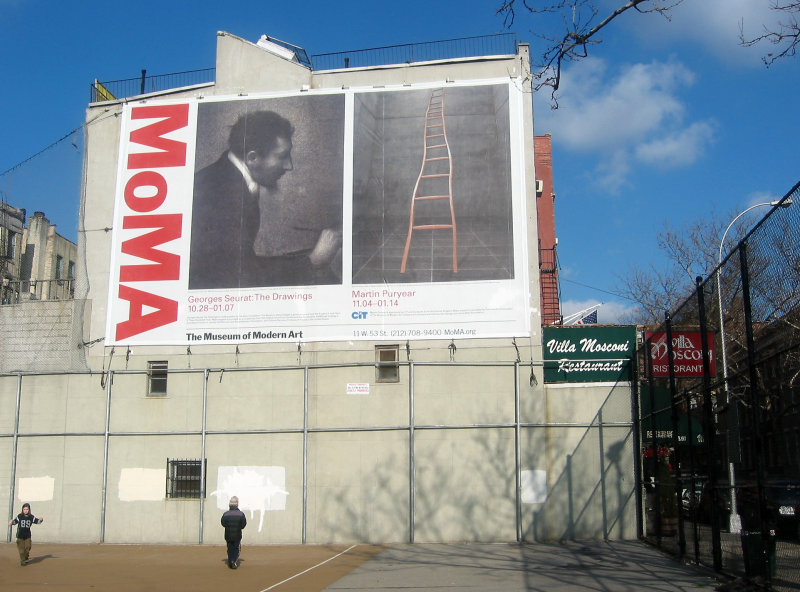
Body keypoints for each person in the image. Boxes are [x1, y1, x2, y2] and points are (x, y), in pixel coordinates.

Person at [189, 109, 342, 289]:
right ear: (252, 158)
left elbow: (239, 260)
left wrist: (305, 256)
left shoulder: (225, 177)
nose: (289, 166)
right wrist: (313, 261)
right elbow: (239, 276)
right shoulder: (221, 196)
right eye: (282, 156)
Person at [220, 495, 247, 569]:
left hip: (228, 534)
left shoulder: (226, 514)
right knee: (236, 548)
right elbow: (243, 524)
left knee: (230, 548)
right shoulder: (241, 514)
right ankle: (234, 561)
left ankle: (230, 561)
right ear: (237, 504)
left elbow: (223, 523)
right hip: (237, 535)